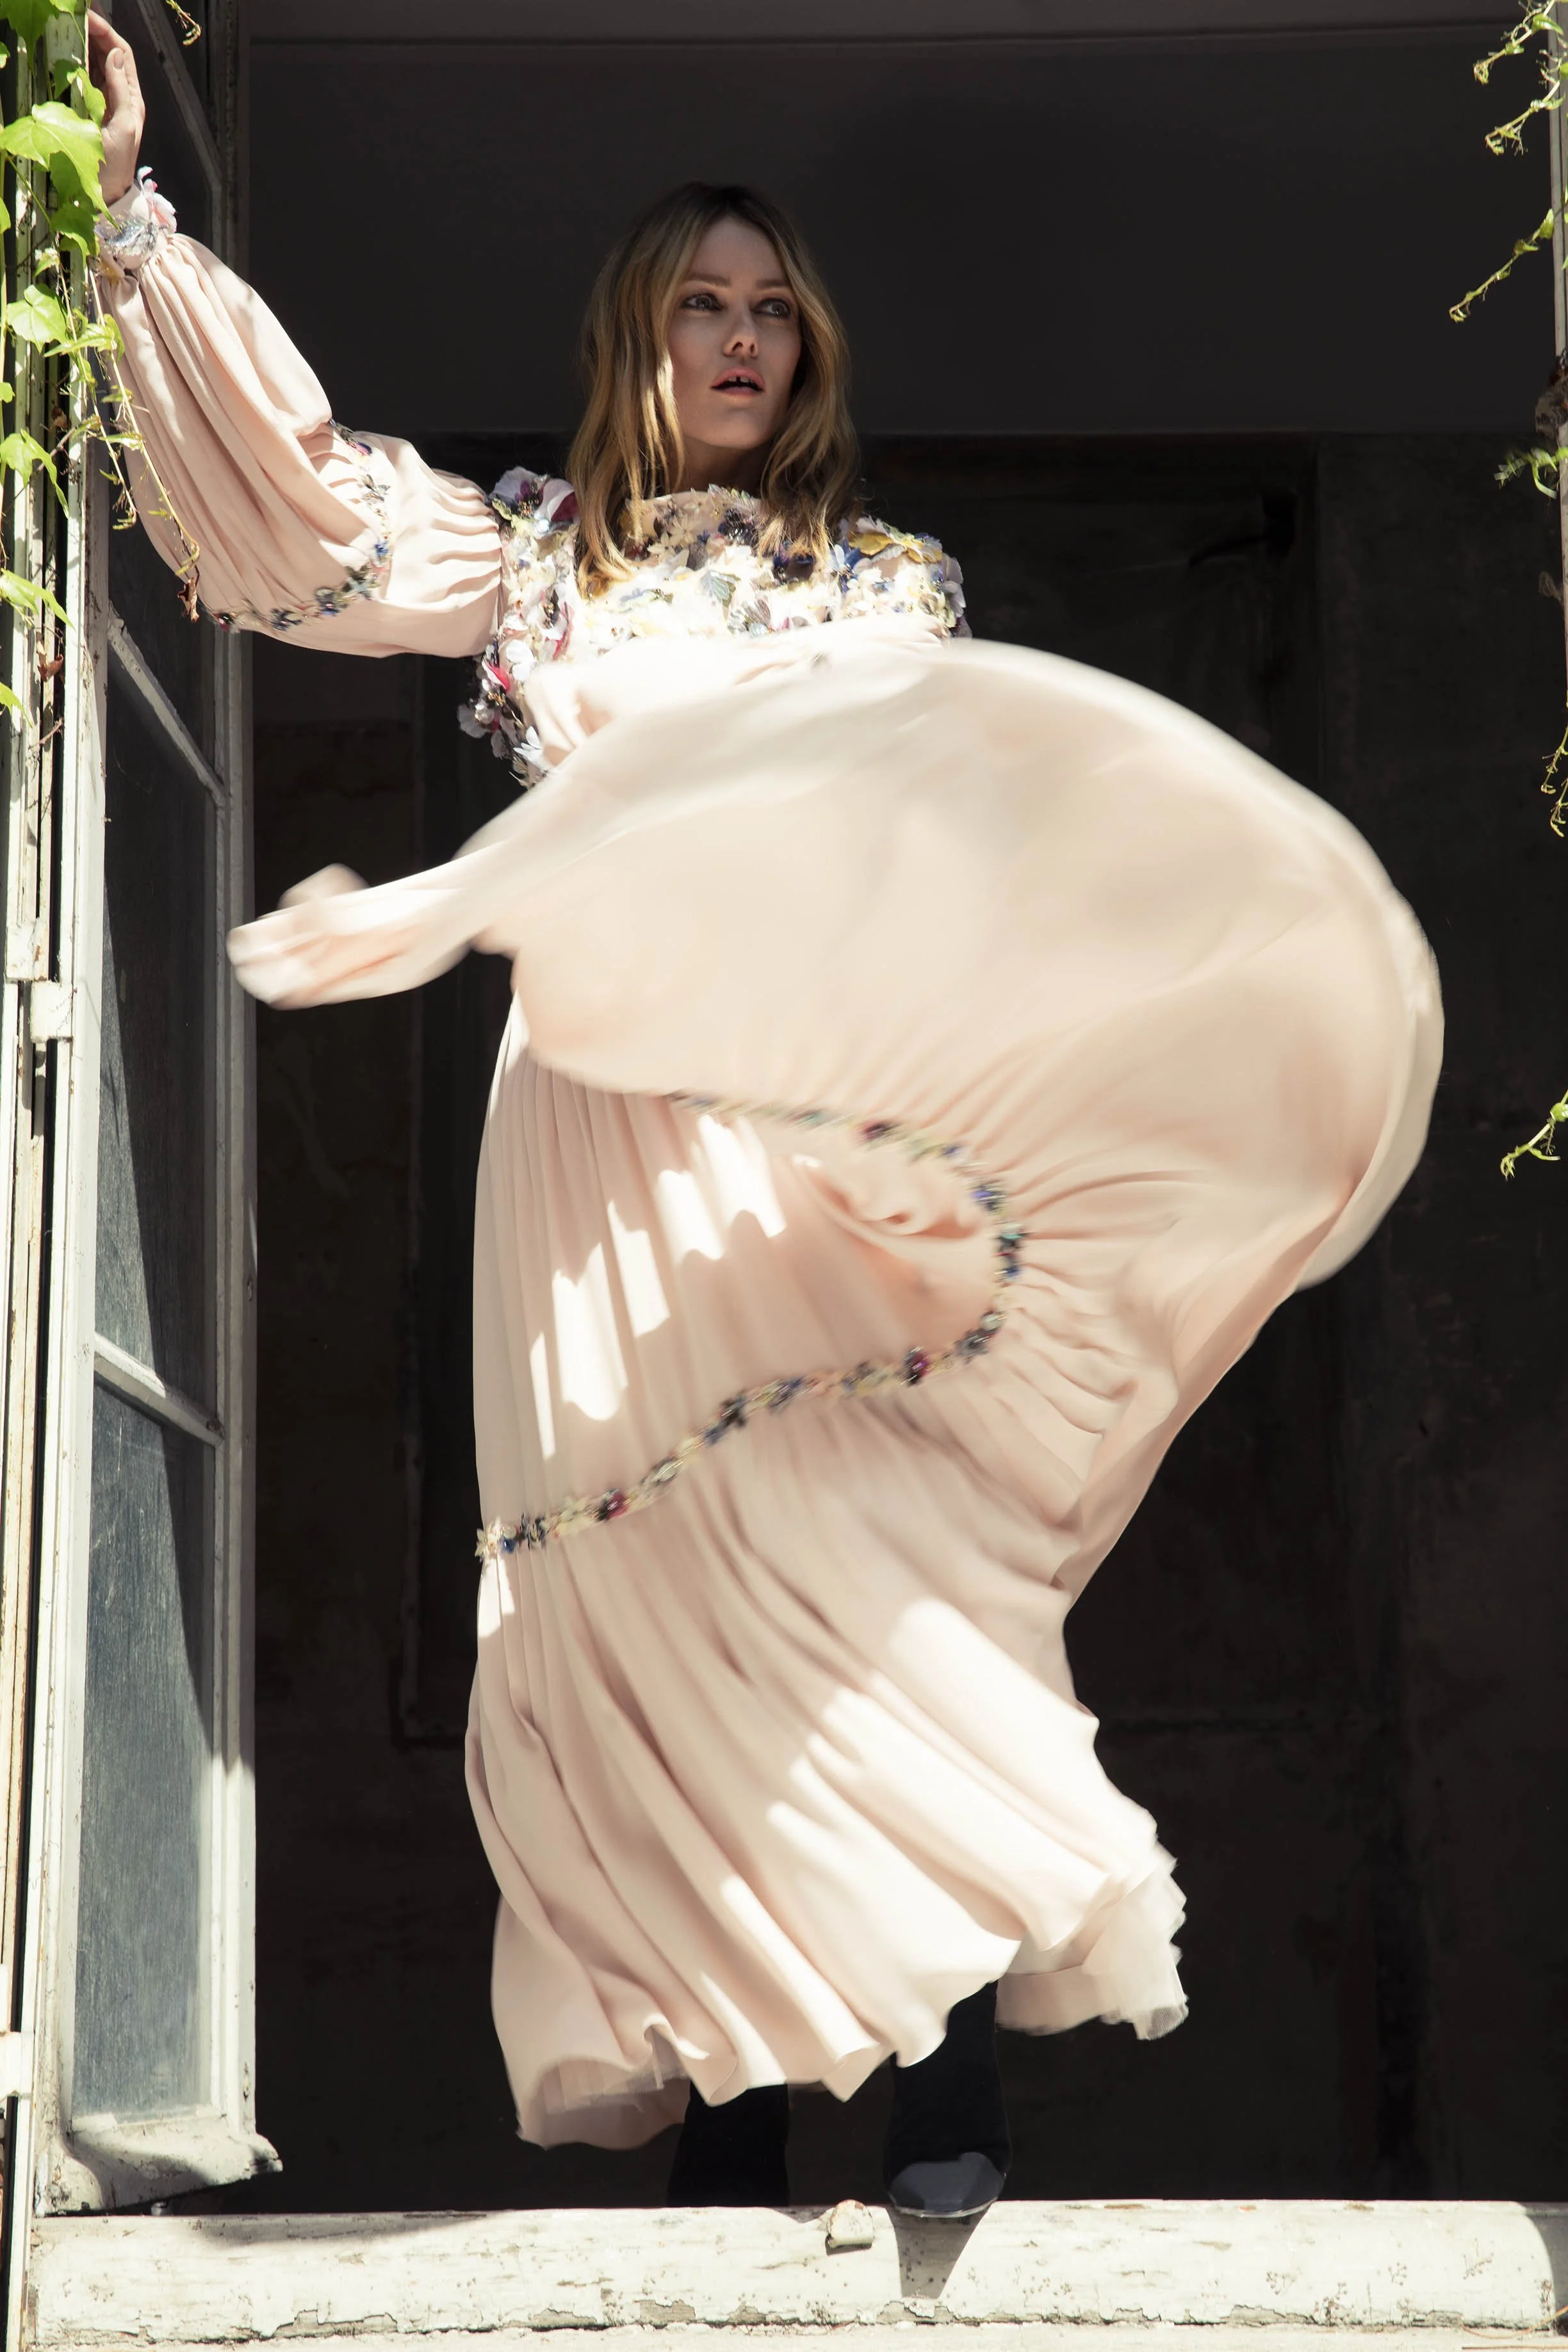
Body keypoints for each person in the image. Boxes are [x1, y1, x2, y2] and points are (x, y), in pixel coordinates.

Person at [88, 15, 1441, 2219]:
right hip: (600, 1145)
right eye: (704, 304)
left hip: (817, 1134)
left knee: (879, 1575)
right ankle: (721, 2136)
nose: (742, 340)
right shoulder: (529, 562)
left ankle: (939, 2113)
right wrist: (130, 232)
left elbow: (966, 857)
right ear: (638, 337)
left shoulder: (889, 592)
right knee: (640, 1610)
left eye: (774, 307)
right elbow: (302, 523)